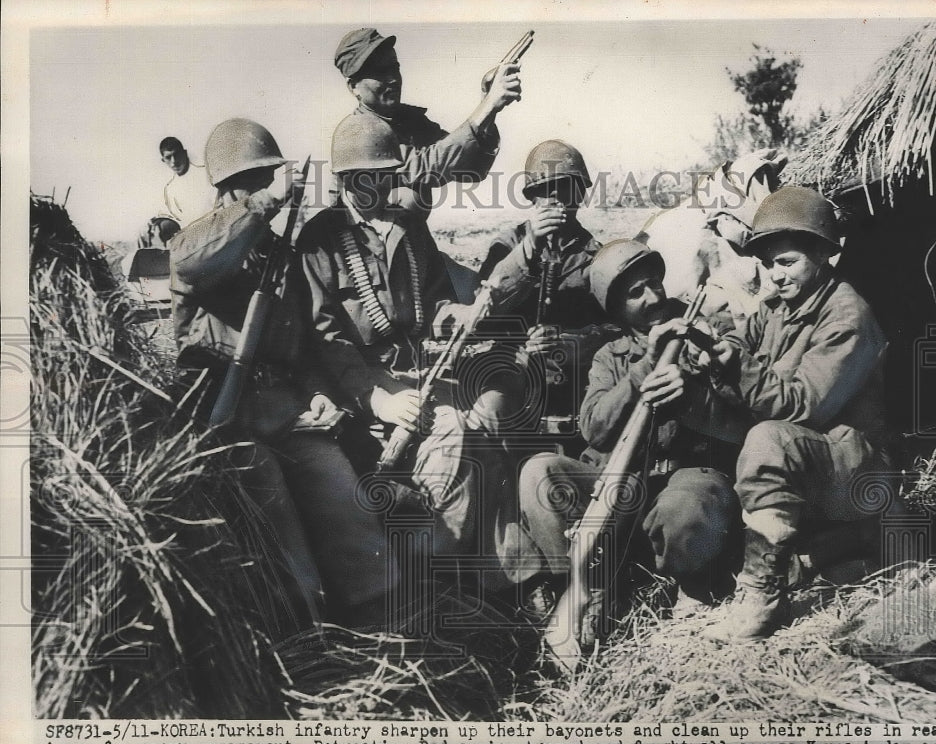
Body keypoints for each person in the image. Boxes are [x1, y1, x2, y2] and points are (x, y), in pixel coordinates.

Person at [168, 118, 397, 629]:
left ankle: (380, 623)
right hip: (221, 417)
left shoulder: (279, 253)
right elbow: (192, 266)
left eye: (267, 179)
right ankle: (306, 634)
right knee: (277, 519)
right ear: (228, 186)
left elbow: (303, 347)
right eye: (254, 181)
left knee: (344, 498)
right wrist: (258, 208)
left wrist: (316, 395)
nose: (264, 189)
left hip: (285, 410)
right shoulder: (197, 242)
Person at [298, 112, 518, 596]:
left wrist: (454, 316)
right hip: (356, 395)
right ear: (346, 180)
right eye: (370, 179)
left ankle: (456, 573)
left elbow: (431, 299)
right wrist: (377, 400)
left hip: (420, 379)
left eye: (388, 176)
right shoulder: (318, 241)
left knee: (470, 435)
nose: (382, 188)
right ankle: (421, 580)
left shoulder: (408, 226)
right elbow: (324, 341)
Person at [681, 186, 892, 643]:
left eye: (786, 262)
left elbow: (801, 406)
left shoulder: (847, 316)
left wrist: (737, 366)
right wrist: (714, 356)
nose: (774, 276)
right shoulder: (777, 307)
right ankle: (827, 552)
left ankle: (763, 593)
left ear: (823, 254)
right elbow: (742, 337)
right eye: (767, 263)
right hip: (814, 468)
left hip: (855, 471)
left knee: (766, 439)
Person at [517, 239, 743, 650]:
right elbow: (595, 430)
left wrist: (696, 383)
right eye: (636, 292)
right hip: (619, 489)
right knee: (539, 473)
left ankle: (686, 583)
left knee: (689, 506)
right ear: (616, 308)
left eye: (654, 283)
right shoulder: (610, 356)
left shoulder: (707, 328)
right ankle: (585, 582)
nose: (654, 297)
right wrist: (643, 369)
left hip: (681, 481)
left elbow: (742, 411)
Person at [475, 140, 619, 438]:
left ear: (580, 194)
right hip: (512, 377)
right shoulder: (509, 245)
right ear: (532, 197)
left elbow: (617, 330)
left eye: (566, 187)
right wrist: (530, 246)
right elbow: (482, 310)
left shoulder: (598, 258)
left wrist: (570, 342)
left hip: (574, 384)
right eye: (545, 188)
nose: (555, 197)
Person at [333, 27, 521, 207]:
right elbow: (424, 169)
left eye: (394, 67)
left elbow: (471, 169)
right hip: (358, 236)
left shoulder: (411, 122)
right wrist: (487, 106)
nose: (393, 78)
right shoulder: (359, 132)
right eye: (379, 72)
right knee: (409, 197)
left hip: (400, 234)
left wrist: (488, 105)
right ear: (353, 87)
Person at [160, 137, 216, 227]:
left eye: (176, 154)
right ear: (163, 160)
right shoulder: (170, 190)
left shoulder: (207, 172)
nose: (174, 161)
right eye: (168, 157)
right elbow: (180, 221)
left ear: (184, 153)